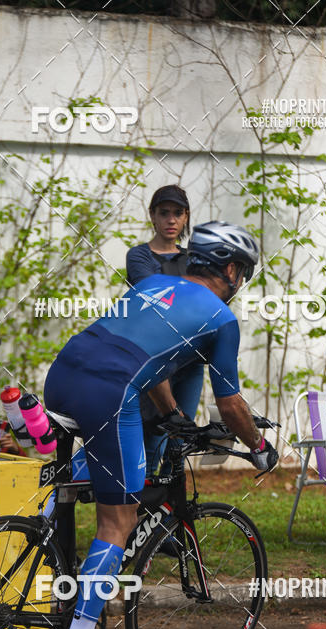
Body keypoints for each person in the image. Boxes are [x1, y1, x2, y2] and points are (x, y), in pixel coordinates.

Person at [44, 221, 278, 629]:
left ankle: (50, 534)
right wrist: (259, 446)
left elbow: (143, 355)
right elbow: (230, 403)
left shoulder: (152, 282)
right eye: (243, 275)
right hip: (110, 394)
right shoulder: (221, 318)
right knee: (119, 519)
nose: (241, 285)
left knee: (87, 480)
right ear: (231, 270)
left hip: (63, 374)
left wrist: (171, 414)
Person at [126, 184, 203, 475]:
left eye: (178, 214)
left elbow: (211, 300)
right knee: (153, 438)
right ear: (153, 217)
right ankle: (140, 514)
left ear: (186, 218)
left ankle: (169, 516)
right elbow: (156, 297)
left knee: (180, 443)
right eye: (164, 213)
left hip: (191, 363)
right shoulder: (139, 256)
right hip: (156, 362)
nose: (171, 220)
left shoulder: (194, 257)